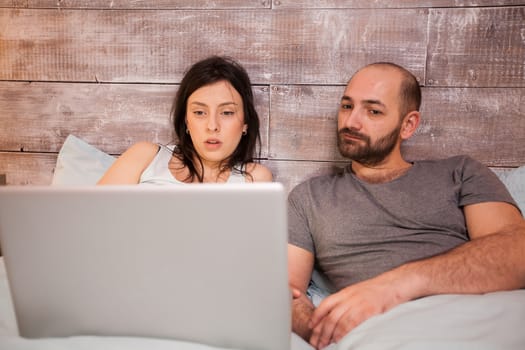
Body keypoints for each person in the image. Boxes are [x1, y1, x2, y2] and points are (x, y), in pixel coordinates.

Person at [287, 62, 525, 349]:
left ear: (408, 124)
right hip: (383, 330)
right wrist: (316, 329)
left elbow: (516, 252)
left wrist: (395, 285)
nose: (352, 122)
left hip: (475, 314)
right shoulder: (310, 197)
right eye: (347, 106)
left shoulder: (460, 173)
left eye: (373, 111)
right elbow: (286, 293)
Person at [98, 55, 272, 185]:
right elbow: (90, 220)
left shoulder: (254, 178)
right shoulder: (145, 156)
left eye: (227, 112)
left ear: (245, 124)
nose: (212, 126)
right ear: (186, 121)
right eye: (199, 112)